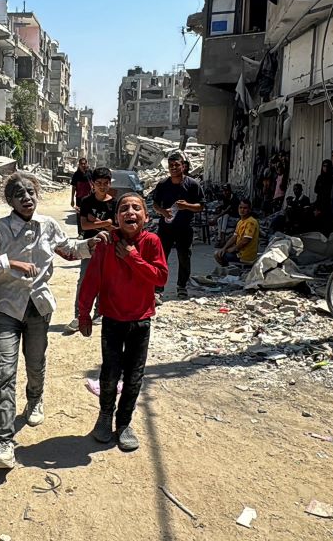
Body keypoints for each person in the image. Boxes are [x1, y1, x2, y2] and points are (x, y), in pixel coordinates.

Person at [0, 172, 105, 469]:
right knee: (4, 370)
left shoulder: (47, 226)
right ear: (9, 201)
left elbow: (68, 250)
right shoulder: (0, 229)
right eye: (19, 194)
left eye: (30, 192)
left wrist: (89, 243)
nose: (26, 198)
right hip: (7, 308)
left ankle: (35, 399)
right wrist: (8, 262)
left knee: (35, 362)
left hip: (39, 308)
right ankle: (5, 442)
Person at [77, 193, 168, 452]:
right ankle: (105, 416)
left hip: (140, 322)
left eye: (136, 208)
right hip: (113, 321)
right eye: (124, 208)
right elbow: (92, 280)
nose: (130, 212)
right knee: (110, 373)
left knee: (134, 377)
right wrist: (84, 313)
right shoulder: (106, 243)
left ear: (146, 217)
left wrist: (132, 257)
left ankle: (124, 423)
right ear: (116, 218)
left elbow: (160, 278)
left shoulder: (152, 242)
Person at [69, 167, 116, 331]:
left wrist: (95, 221)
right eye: (99, 183)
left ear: (109, 184)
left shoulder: (114, 203)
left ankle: (99, 313)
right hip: (89, 246)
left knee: (105, 282)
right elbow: (84, 225)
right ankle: (79, 315)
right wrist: (105, 223)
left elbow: (116, 228)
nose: (102, 186)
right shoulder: (87, 201)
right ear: (93, 184)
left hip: (108, 248)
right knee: (84, 281)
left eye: (105, 183)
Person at [152, 152, 203, 300]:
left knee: (184, 258)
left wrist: (187, 206)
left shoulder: (193, 185)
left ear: (183, 166)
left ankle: (182, 287)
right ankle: (158, 289)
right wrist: (162, 212)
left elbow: (201, 206)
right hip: (166, 228)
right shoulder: (162, 184)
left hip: (184, 228)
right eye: (171, 165)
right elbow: (155, 204)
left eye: (177, 165)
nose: (173, 168)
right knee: (161, 259)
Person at [214, 198, 259, 266]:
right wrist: (224, 248)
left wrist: (233, 249)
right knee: (221, 252)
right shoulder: (240, 222)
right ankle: (229, 270)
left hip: (245, 256)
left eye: (245, 208)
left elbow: (245, 241)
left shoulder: (251, 222)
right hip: (240, 252)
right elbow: (234, 237)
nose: (242, 210)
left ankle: (228, 270)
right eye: (240, 207)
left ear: (249, 210)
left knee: (217, 254)